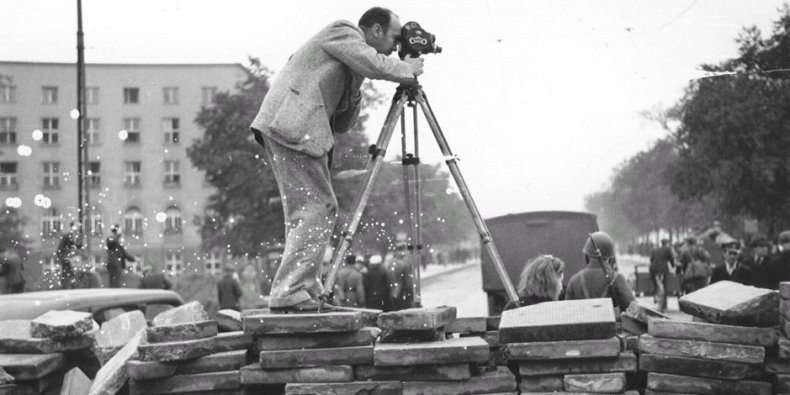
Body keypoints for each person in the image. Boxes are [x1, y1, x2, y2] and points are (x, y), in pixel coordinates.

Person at [249, 7, 424, 313]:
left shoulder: (351, 62)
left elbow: (343, 123)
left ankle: (303, 286)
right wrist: (405, 68)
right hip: (293, 126)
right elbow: (375, 63)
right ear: (376, 31)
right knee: (319, 206)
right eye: (395, 38)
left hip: (293, 129)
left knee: (308, 209)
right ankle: (291, 289)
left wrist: (356, 86)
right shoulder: (343, 30)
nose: (397, 46)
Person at [565, 231, 635, 312]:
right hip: (610, 325)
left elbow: (568, 313)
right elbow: (633, 311)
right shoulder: (616, 279)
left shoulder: (574, 281)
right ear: (610, 257)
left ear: (587, 255)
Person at [649, 238, 674, 312]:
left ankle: (655, 294)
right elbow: (671, 259)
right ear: (667, 243)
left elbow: (651, 259)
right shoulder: (668, 249)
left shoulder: (655, 249)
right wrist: (673, 266)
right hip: (663, 269)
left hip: (654, 268)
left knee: (655, 283)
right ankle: (664, 304)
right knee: (665, 285)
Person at [387, 242, 415, 310]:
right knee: (405, 308)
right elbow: (407, 279)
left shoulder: (391, 261)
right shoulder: (406, 260)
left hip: (393, 290)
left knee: (396, 307)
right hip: (402, 290)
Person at [55, 222, 82, 289]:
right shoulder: (67, 236)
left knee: (72, 273)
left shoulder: (75, 236)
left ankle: (72, 286)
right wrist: (64, 257)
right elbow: (60, 249)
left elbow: (77, 247)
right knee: (66, 273)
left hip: (71, 258)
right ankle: (66, 287)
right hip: (66, 258)